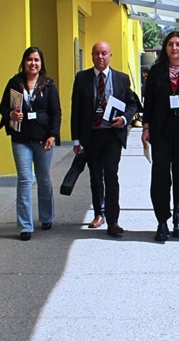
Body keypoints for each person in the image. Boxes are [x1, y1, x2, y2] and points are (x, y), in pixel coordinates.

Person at [71, 41, 139, 236]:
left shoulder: (121, 79)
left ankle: (113, 220)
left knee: (111, 175)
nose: (100, 57)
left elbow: (133, 105)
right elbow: (75, 110)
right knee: (95, 176)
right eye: (96, 54)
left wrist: (125, 118)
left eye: (104, 53)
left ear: (110, 56)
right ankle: (98, 213)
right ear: (91, 56)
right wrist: (76, 140)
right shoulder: (82, 78)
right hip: (91, 135)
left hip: (112, 135)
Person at [141, 31, 179, 242]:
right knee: (160, 177)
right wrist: (146, 127)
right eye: (170, 44)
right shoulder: (157, 71)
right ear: (165, 48)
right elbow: (148, 102)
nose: (174, 48)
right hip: (161, 130)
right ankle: (162, 221)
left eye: (178, 44)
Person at [0, 47, 62, 241]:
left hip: (43, 140)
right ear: (24, 62)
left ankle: (46, 216)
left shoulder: (48, 85)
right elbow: (2, 107)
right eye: (29, 60)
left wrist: (53, 135)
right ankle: (25, 225)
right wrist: (11, 114)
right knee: (25, 180)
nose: (32, 63)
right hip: (21, 139)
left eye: (36, 60)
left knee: (43, 178)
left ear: (41, 63)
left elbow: (56, 112)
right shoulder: (14, 83)